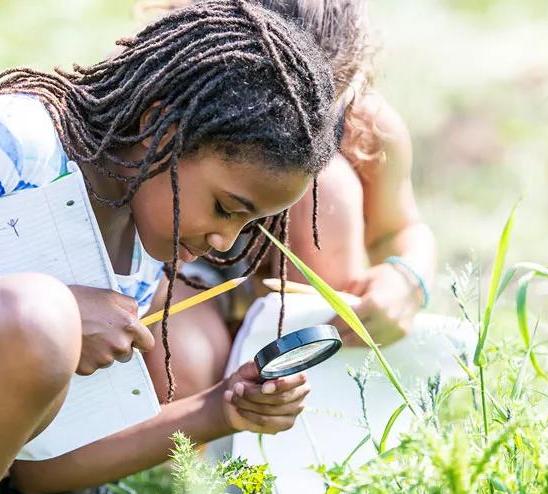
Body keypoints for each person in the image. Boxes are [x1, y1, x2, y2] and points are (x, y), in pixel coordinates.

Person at [0, 1, 338, 494]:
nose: (225, 241)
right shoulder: (19, 140)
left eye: (249, 226)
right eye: (226, 208)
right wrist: (52, 313)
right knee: (36, 314)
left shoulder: (142, 260)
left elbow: (37, 469)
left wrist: (222, 409)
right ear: (160, 127)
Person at [140, 0, 438, 402]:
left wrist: (406, 279)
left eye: (321, 111)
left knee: (327, 189)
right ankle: (194, 444)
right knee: (185, 363)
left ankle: (311, 402)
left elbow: (400, 228)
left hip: (287, 293)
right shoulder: (164, 84)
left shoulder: (366, 128)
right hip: (175, 276)